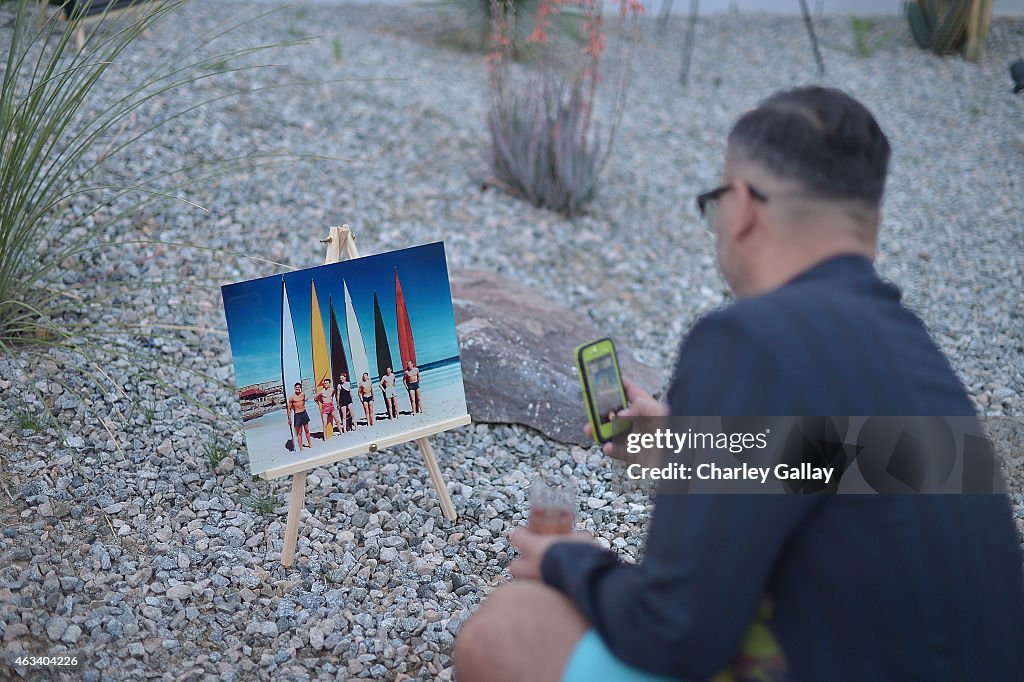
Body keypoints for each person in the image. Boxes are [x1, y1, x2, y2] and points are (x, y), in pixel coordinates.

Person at [454, 87, 1024, 681]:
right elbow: (851, 466)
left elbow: (674, 633)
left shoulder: (748, 337)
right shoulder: (911, 349)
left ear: (745, 206)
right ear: (871, 223)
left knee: (512, 624)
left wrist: (575, 563)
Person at [286, 382, 312, 451]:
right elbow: (289, 409)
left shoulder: (303, 394)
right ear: (295, 388)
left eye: (298, 387)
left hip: (304, 413)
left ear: (300, 388)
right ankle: (301, 447)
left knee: (307, 430)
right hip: (297, 415)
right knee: (299, 432)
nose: (297, 388)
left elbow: (303, 403)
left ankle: (310, 444)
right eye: (296, 387)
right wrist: (289, 419)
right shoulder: (292, 397)